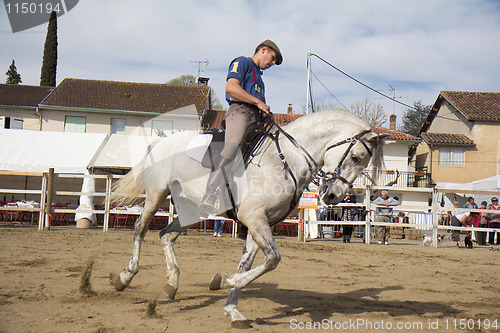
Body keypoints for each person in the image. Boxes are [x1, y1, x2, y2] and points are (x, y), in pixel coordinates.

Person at [198, 39, 283, 215]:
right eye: (273, 58)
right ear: (263, 50)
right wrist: (258, 102)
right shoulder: (242, 62)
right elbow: (231, 88)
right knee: (232, 145)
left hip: (256, 118)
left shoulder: (260, 79)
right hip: (240, 112)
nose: (272, 63)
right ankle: (210, 194)